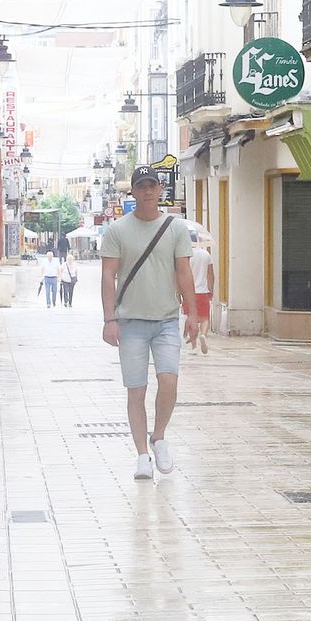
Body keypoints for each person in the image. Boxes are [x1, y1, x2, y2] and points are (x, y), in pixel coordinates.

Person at [100, 166, 198, 480]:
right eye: (141, 187)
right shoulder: (117, 230)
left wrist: (193, 314)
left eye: (151, 186)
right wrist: (109, 319)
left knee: (169, 382)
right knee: (136, 390)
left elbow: (184, 273)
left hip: (167, 319)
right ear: (133, 192)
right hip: (130, 323)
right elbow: (108, 276)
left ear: (159, 190)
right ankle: (142, 454)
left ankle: (159, 436)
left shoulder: (175, 228)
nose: (146, 192)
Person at [187, 232, 215, 355]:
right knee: (204, 318)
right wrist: (211, 288)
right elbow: (210, 274)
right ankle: (203, 335)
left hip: (190, 292)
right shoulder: (206, 254)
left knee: (190, 318)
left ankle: (194, 347)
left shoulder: (186, 255)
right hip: (203, 291)